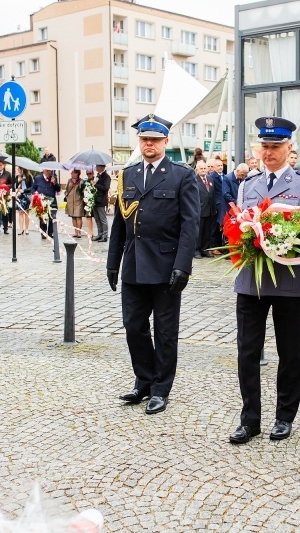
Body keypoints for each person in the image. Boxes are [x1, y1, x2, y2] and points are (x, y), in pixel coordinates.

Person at [229, 117, 300, 445]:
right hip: (251, 279)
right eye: (264, 147)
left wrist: (287, 237)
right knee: (247, 352)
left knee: (289, 352)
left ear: (288, 148)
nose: (269, 153)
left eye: (275, 147)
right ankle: (249, 419)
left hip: (288, 279)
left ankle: (284, 416)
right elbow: (239, 224)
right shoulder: (247, 185)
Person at [106, 114, 200, 415]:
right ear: (140, 142)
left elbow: (190, 225)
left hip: (165, 265)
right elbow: (120, 223)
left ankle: (161, 388)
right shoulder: (128, 175)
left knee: (165, 331)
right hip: (133, 264)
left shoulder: (181, 176)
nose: (149, 144)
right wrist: (112, 263)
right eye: (145, 139)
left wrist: (183, 266)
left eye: (155, 140)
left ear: (165, 142)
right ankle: (143, 380)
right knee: (133, 326)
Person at [31, 168, 60, 238]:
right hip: (41, 200)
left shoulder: (53, 178)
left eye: (50, 170)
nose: (49, 172)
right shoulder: (38, 178)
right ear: (43, 171)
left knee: (51, 217)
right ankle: (43, 232)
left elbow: (58, 189)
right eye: (47, 170)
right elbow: (33, 188)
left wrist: (54, 183)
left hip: (52, 200)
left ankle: (50, 233)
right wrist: (35, 193)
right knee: (42, 216)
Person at [194, 160, 214, 258]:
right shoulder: (194, 180)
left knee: (207, 231)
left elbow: (212, 194)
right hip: (199, 209)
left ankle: (205, 249)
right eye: (201, 168)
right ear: (197, 170)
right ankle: (196, 250)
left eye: (204, 168)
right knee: (199, 231)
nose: (203, 170)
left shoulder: (210, 180)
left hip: (209, 209)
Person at [91, 164, 110, 242]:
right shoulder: (97, 176)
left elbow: (106, 188)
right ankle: (99, 234)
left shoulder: (106, 177)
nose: (96, 168)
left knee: (102, 219)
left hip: (101, 200)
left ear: (102, 167)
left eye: (97, 166)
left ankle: (105, 235)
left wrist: (96, 185)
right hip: (95, 200)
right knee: (97, 219)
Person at [64, 168, 85, 237]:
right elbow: (66, 190)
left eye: (73, 172)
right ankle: (76, 232)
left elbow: (83, 191)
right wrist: (67, 196)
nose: (71, 174)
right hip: (70, 202)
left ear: (77, 173)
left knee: (78, 217)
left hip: (78, 201)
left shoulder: (81, 181)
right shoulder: (69, 180)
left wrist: (82, 185)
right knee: (73, 217)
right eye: (71, 173)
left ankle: (79, 232)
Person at [15, 166, 33, 235]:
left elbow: (32, 187)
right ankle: (21, 229)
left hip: (27, 195)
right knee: (20, 212)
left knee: (26, 212)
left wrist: (24, 190)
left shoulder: (29, 176)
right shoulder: (17, 177)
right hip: (20, 196)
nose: (18, 171)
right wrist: (19, 181)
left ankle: (27, 229)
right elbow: (15, 186)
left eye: (19, 169)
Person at [84, 169, 95, 239]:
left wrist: (94, 185)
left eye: (90, 173)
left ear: (93, 173)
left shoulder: (96, 179)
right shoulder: (85, 181)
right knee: (88, 217)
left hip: (94, 201)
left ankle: (99, 232)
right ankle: (90, 232)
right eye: (87, 174)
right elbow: (80, 191)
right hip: (87, 201)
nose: (89, 175)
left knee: (97, 218)